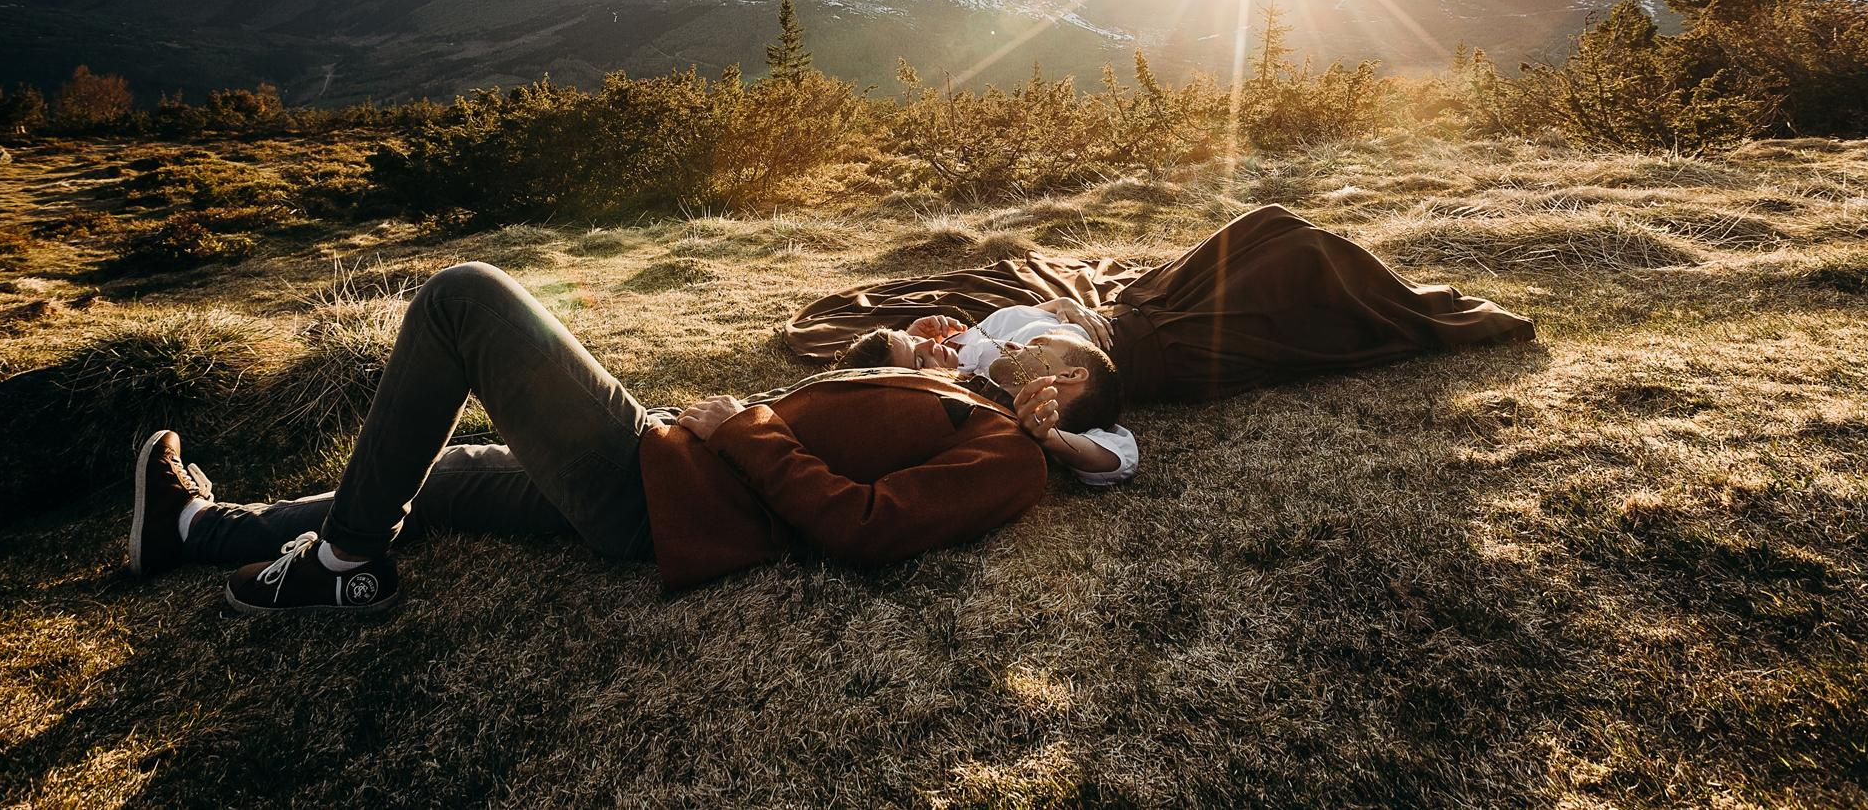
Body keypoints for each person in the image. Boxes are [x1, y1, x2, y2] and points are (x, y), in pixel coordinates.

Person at [129, 261, 1048, 611]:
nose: (1005, 336)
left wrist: (745, 423)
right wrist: (888, 352)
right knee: (446, 474)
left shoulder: (1011, 450)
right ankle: (191, 528)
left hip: (662, 492)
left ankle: (344, 563)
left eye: (1038, 340)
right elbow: (838, 425)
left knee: (465, 299)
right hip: (666, 462)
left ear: (1065, 384)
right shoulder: (960, 390)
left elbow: (865, 525)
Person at [785, 203, 1536, 403]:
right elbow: (1065, 398)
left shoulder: (970, 342)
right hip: (1163, 347)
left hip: (1139, 302)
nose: (938, 348)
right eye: (924, 360)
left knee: (1270, 222)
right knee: (1300, 262)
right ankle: (1436, 317)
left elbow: (1017, 324)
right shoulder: (982, 389)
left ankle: (1407, 297)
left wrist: (930, 328)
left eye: (926, 342)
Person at [830, 299, 1136, 485]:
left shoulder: (957, 356)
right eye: (920, 359)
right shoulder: (988, 390)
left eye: (1035, 345)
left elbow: (1118, 457)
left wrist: (1062, 304)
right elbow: (1119, 456)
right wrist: (1047, 436)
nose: (1014, 346)